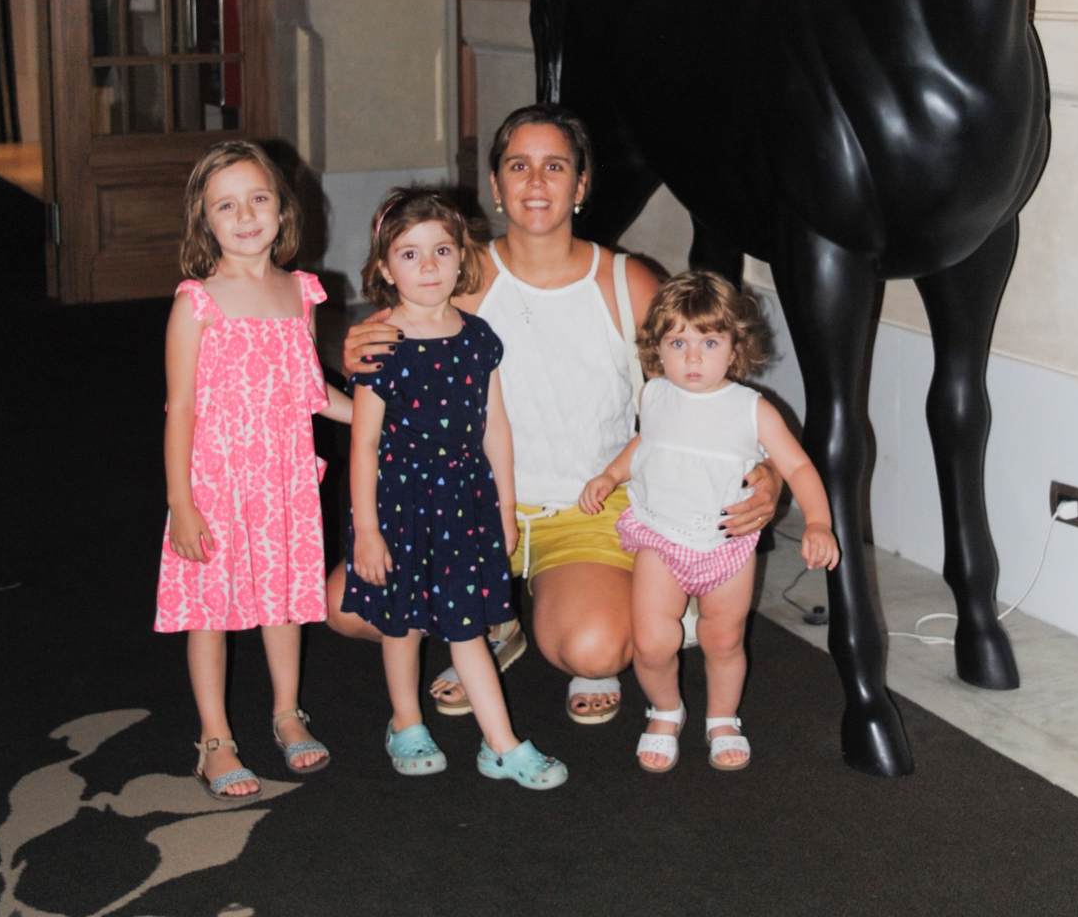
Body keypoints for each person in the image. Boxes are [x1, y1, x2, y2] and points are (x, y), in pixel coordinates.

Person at [333, 106, 782, 726]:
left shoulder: (627, 283)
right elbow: (383, 343)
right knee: (345, 608)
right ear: (496, 185)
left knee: (594, 650)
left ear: (582, 184)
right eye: (519, 166)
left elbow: (700, 394)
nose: (536, 182)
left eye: (555, 166)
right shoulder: (458, 276)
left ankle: (591, 599)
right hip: (467, 501)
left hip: (586, 509)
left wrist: (766, 471)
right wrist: (354, 345)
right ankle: (498, 622)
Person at [342, 185, 566, 790]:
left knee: (468, 625)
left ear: (461, 257)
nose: (429, 267)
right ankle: (406, 722)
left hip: (464, 501)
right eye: (410, 255)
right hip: (402, 505)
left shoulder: (477, 337)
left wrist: (503, 508)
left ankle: (503, 744)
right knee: (402, 624)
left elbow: (497, 429)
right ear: (386, 267)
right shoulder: (379, 345)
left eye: (442, 251)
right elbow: (364, 443)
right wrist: (366, 529)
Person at [580, 270, 839, 773]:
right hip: (661, 537)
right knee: (653, 641)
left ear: (735, 347)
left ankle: (722, 717)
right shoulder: (653, 394)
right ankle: (664, 709)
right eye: (677, 341)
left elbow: (799, 465)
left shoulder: (751, 410)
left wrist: (819, 522)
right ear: (656, 346)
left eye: (709, 341)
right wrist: (611, 476)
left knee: (723, 639)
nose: (692, 357)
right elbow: (646, 444)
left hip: (725, 546)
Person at [156, 140, 353, 800]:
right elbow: (179, 408)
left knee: (283, 602)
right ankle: (214, 739)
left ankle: (287, 711)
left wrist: (381, 418)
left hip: (282, 478)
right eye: (226, 205)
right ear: (204, 220)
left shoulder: (299, 293)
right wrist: (181, 503)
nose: (245, 216)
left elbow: (312, 390)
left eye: (258, 199)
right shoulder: (196, 303)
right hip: (214, 482)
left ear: (281, 209)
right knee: (209, 611)